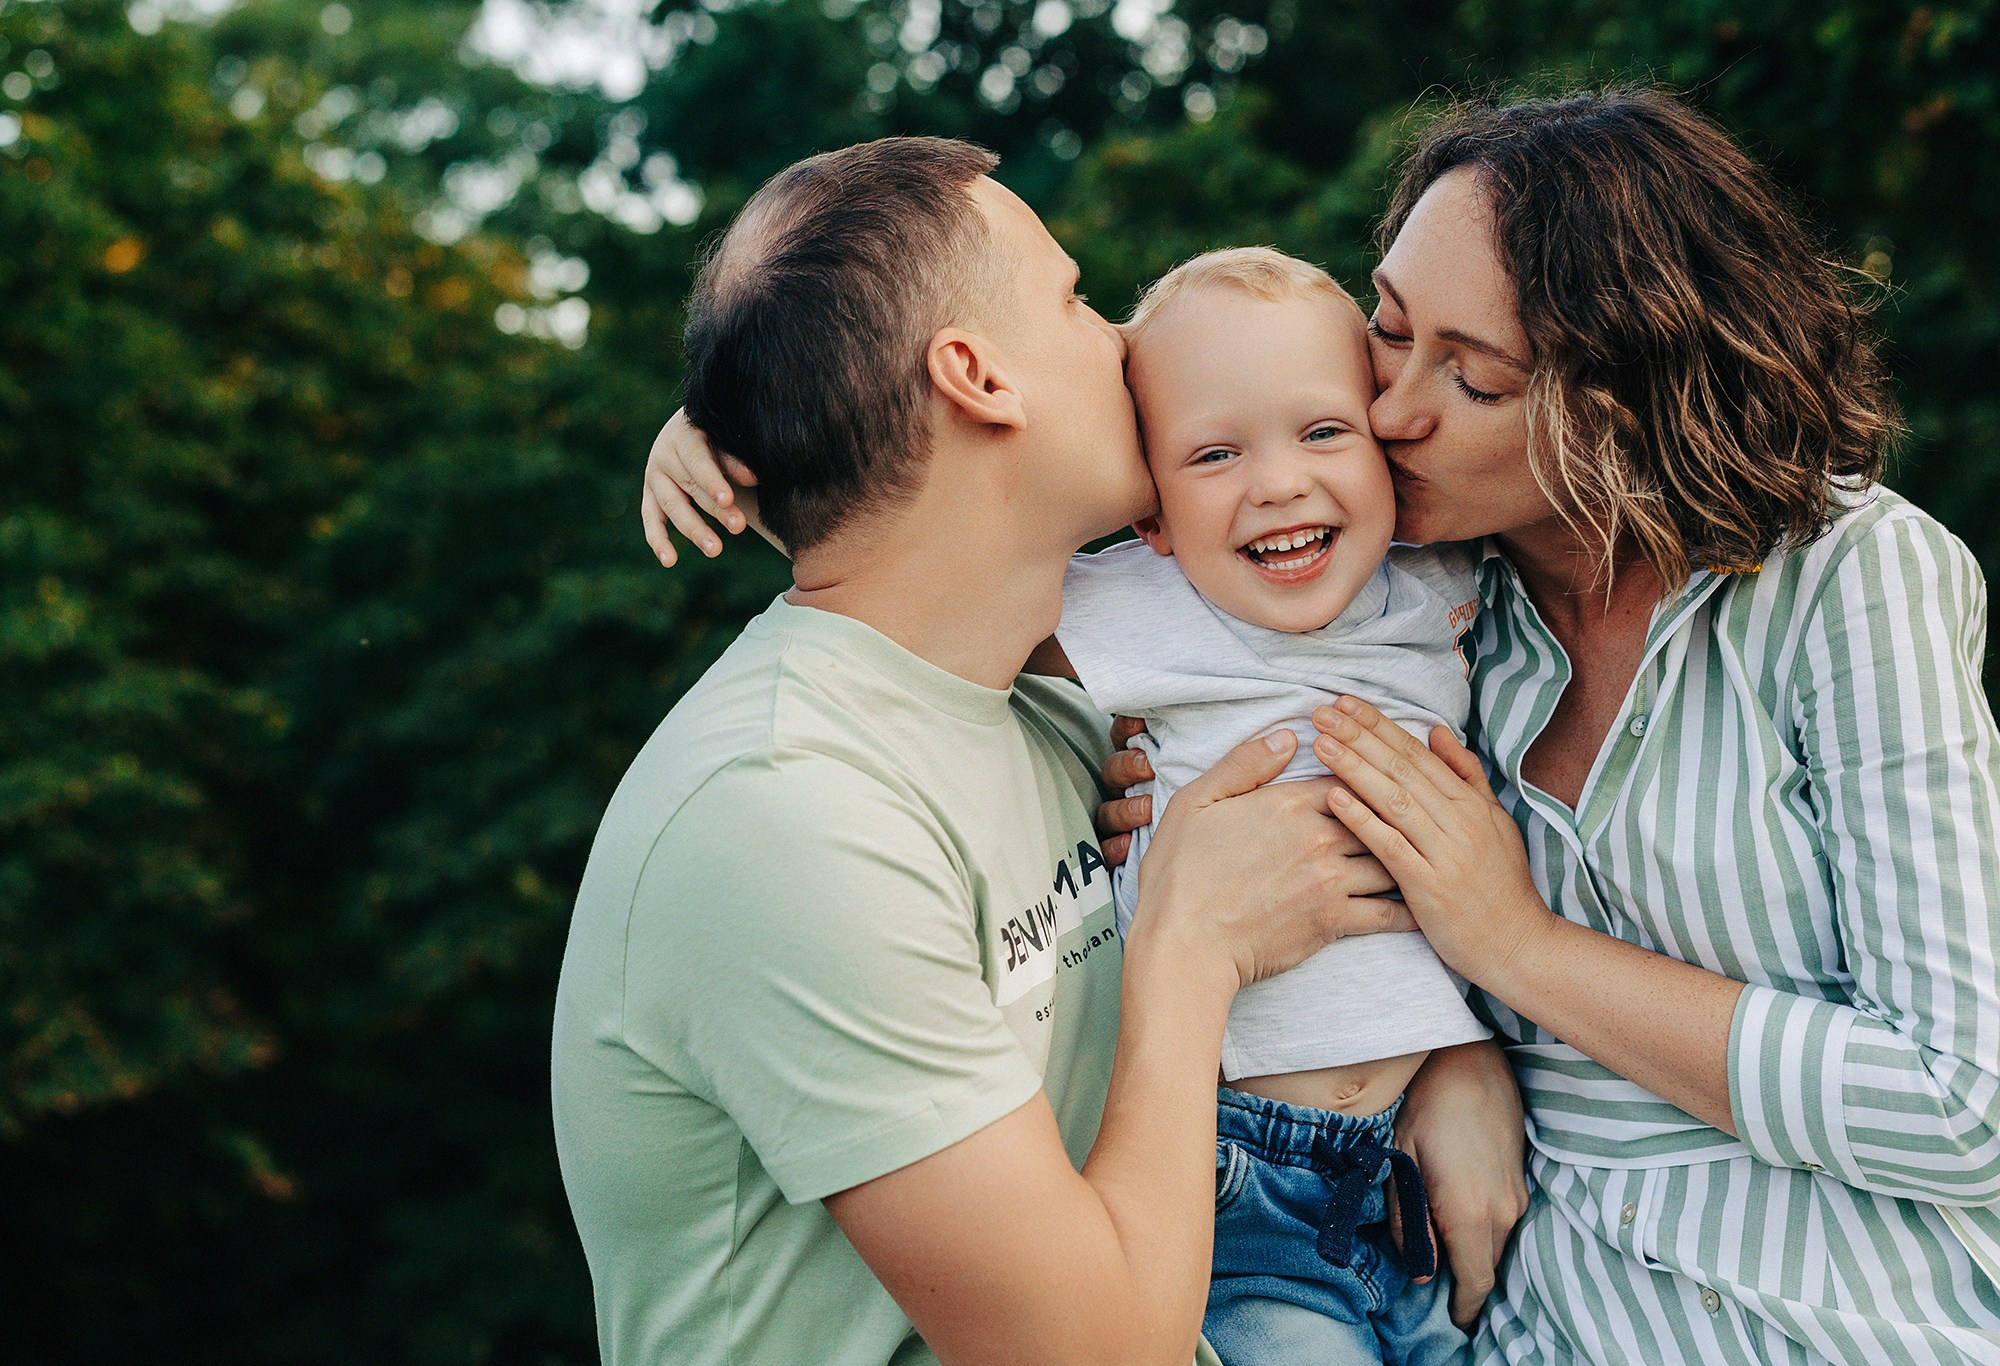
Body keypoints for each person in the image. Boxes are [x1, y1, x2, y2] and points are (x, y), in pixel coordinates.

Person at [557, 136, 1525, 1366]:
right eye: (1073, 302)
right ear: (974, 377)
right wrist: (1192, 943)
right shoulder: (782, 817)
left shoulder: (1047, 710)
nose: (1123, 344)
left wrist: (1446, 1056)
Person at [1101, 92, 1999, 1364]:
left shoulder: (1847, 577)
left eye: (1468, 376)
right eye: (1388, 331)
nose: (1390, 410)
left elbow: (1963, 1105)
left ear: (1619, 400)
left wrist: (1516, 947)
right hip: (1528, 1325)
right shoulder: (1418, 604)